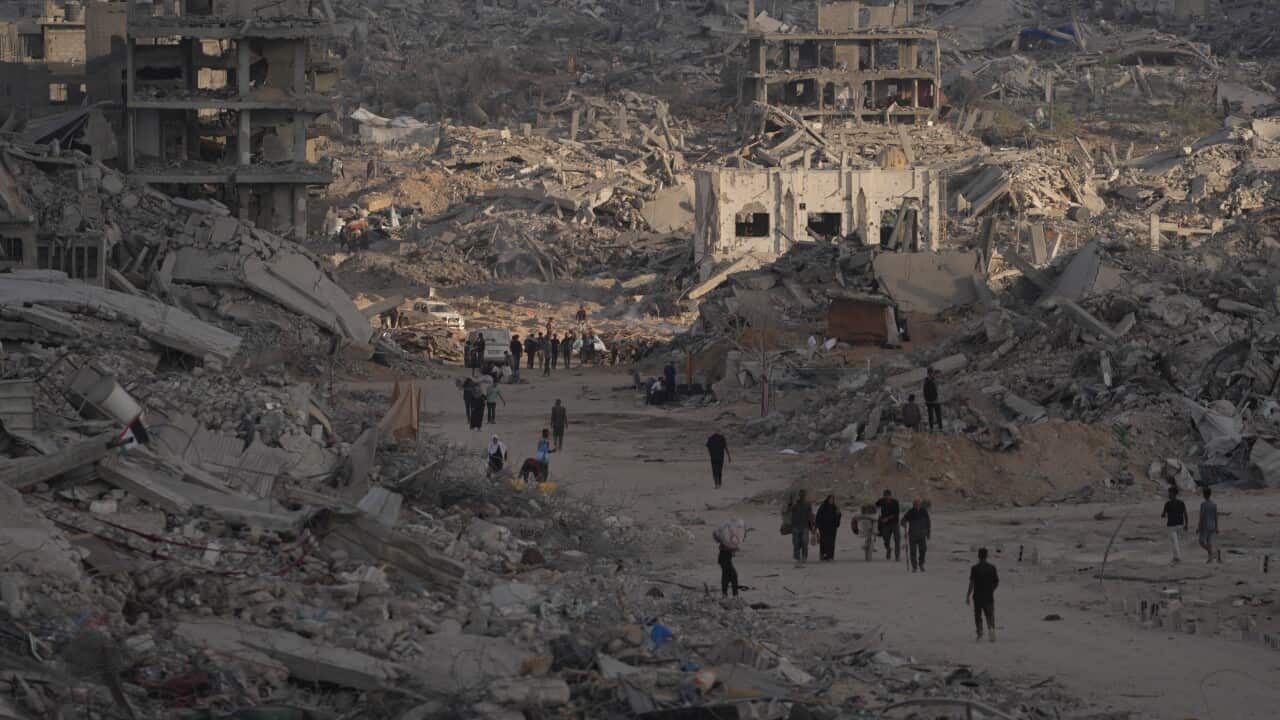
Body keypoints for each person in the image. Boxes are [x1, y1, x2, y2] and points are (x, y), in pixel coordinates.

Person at [966, 548, 999, 642]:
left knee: (978, 616)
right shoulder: (992, 568)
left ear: (978, 556)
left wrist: (968, 595)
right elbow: (996, 582)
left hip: (977, 596)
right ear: (986, 556)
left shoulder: (975, 568)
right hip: (988, 596)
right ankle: (991, 631)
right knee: (990, 614)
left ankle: (980, 633)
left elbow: (972, 583)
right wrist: (991, 590)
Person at [713, 519, 745, 598]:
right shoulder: (729, 535)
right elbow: (729, 545)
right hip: (724, 558)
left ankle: (725, 594)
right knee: (733, 575)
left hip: (723, 558)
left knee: (726, 575)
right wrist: (734, 548)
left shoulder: (728, 534)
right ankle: (735, 595)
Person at [902, 499, 931, 572]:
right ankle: (914, 567)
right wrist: (904, 523)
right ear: (913, 505)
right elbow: (903, 520)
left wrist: (928, 533)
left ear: (920, 505)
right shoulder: (910, 512)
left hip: (922, 534)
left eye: (918, 504)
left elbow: (928, 522)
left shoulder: (924, 511)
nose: (917, 506)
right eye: (915, 505)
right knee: (913, 551)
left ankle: (921, 564)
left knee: (923, 550)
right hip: (912, 535)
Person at [788, 490, 816, 567]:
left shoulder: (807, 505)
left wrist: (813, 526)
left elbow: (810, 516)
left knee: (804, 542)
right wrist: (790, 502)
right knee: (796, 543)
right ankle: (797, 558)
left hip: (805, 526)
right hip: (796, 526)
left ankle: (804, 557)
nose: (802, 496)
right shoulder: (795, 505)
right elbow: (789, 510)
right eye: (801, 495)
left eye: (803, 495)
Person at [1162, 486, 1188, 564]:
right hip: (1180, 524)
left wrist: (1165, 515)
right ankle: (1175, 557)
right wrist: (1186, 525)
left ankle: (1178, 558)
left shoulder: (1167, 504)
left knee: (1174, 542)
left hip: (1172, 525)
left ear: (1173, 493)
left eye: (1169, 493)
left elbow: (1163, 514)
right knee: (1176, 542)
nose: (1168, 494)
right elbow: (1185, 514)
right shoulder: (1181, 503)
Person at [875, 489, 901, 561]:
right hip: (885, 524)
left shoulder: (895, 502)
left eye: (888, 496)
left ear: (890, 496)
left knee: (897, 540)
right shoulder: (881, 501)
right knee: (886, 539)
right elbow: (875, 506)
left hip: (894, 523)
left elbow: (896, 514)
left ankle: (897, 556)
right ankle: (888, 549)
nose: (886, 497)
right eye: (885, 496)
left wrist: (887, 518)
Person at [815, 495, 842, 561]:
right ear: (828, 499)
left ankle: (830, 556)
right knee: (823, 541)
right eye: (830, 499)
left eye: (832, 499)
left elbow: (838, 515)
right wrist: (817, 525)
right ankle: (823, 555)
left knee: (831, 542)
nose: (831, 500)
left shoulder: (834, 507)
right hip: (823, 527)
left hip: (832, 528)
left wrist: (838, 515)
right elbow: (818, 515)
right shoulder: (823, 506)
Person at [1197, 486, 1219, 564]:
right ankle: (1210, 558)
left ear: (1204, 494)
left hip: (1205, 525)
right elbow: (1216, 516)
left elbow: (1201, 517)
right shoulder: (1214, 504)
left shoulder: (1203, 504)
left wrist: (1198, 527)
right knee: (1209, 543)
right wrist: (1217, 527)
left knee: (1201, 542)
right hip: (1212, 525)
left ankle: (1212, 554)